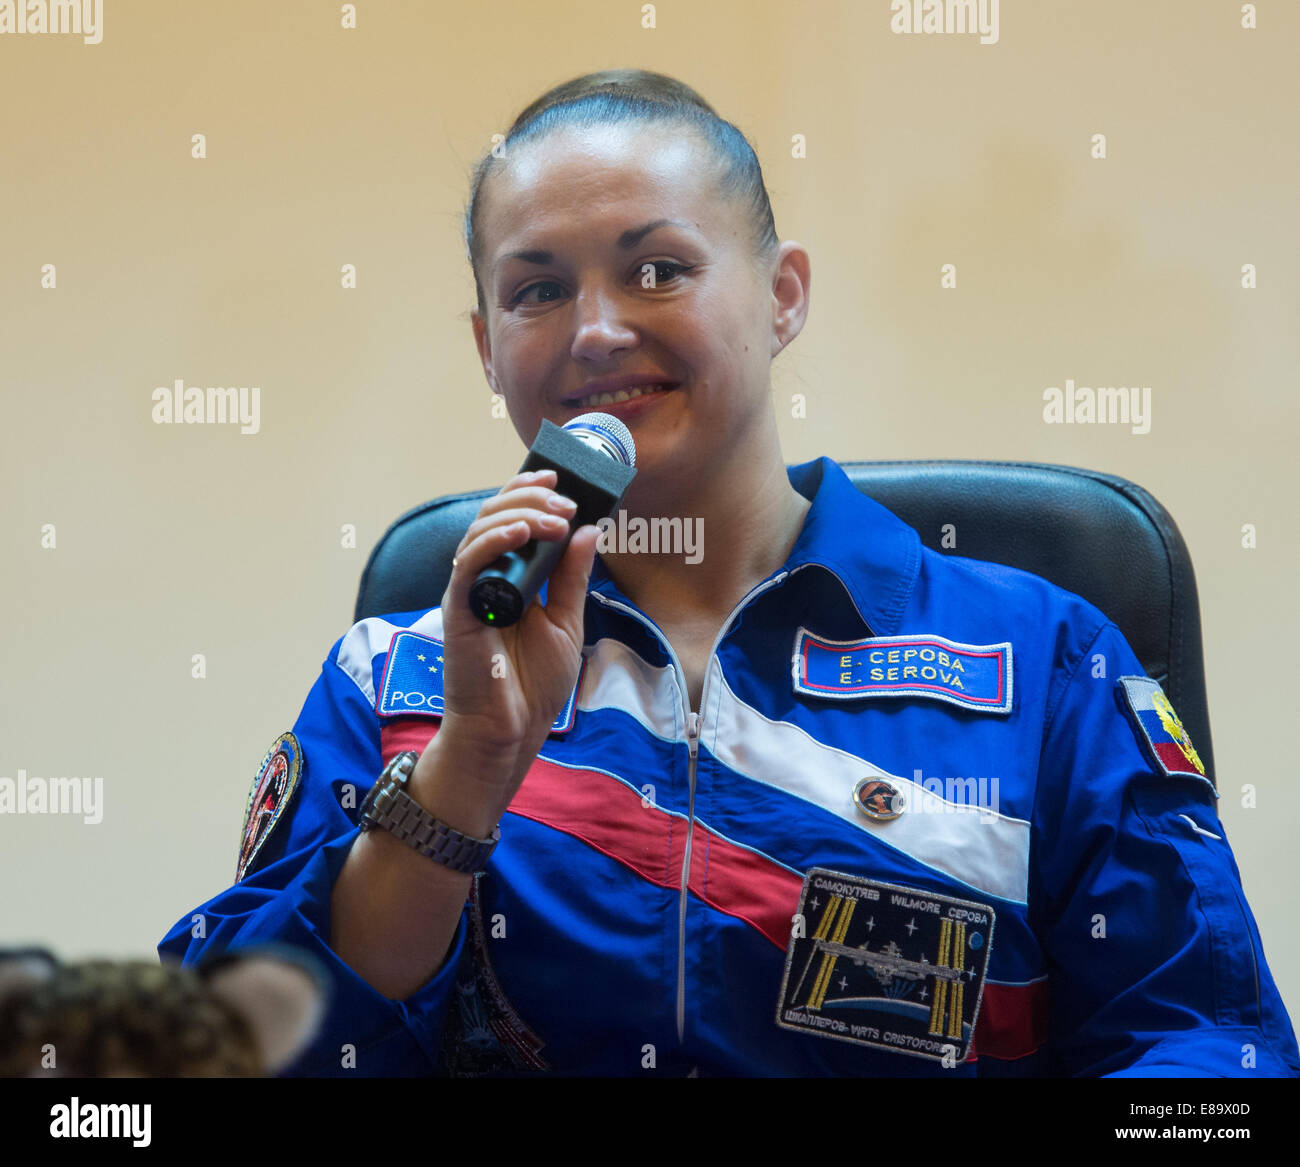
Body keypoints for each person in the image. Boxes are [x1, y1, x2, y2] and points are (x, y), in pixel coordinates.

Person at [159, 69, 1300, 1078]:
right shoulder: (396, 680)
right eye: (536, 290)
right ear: (486, 345)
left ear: (782, 295)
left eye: (657, 269)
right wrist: (468, 767)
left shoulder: (1044, 661)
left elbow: (1199, 1046)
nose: (595, 331)